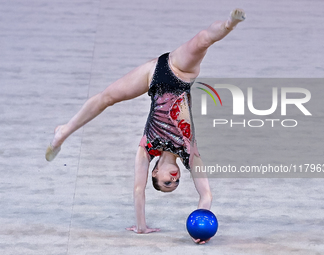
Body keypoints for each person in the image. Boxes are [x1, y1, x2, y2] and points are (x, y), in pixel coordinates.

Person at [46, 8, 246, 244]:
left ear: (155, 172)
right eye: (176, 182)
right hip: (179, 73)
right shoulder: (190, 154)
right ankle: (229, 24)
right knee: (202, 41)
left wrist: (141, 227)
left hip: (153, 75)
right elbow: (206, 194)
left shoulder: (146, 149)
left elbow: (139, 190)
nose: (174, 178)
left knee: (107, 98)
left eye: (166, 182)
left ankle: (63, 132)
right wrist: (203, 222)